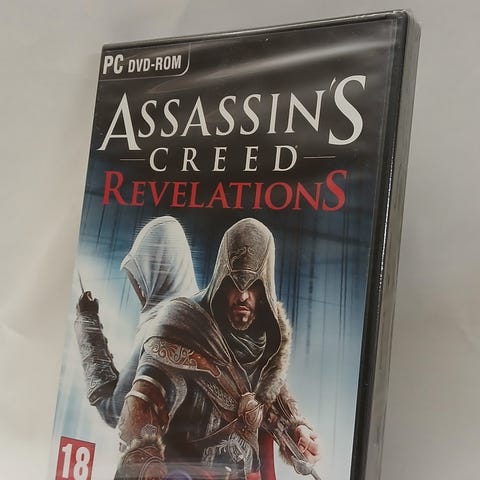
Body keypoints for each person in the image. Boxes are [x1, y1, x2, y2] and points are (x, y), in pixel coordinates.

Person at [114, 218, 320, 480]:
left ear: (265, 289)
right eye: (235, 283)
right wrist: (147, 465)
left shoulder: (265, 345)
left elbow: (271, 405)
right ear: (221, 280)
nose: (243, 295)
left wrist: (297, 432)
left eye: (253, 286)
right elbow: (141, 410)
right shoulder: (182, 326)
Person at [75, 216, 199, 427]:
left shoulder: (159, 328)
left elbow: (117, 412)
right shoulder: (202, 319)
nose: (139, 287)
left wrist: (88, 324)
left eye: (144, 272)